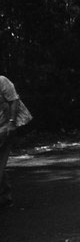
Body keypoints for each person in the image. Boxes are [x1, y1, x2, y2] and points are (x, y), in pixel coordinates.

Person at [1, 74, 31, 209]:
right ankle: (5, 197)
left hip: (3, 128)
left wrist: (12, 123)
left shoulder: (2, 81)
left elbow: (14, 100)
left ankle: (5, 197)